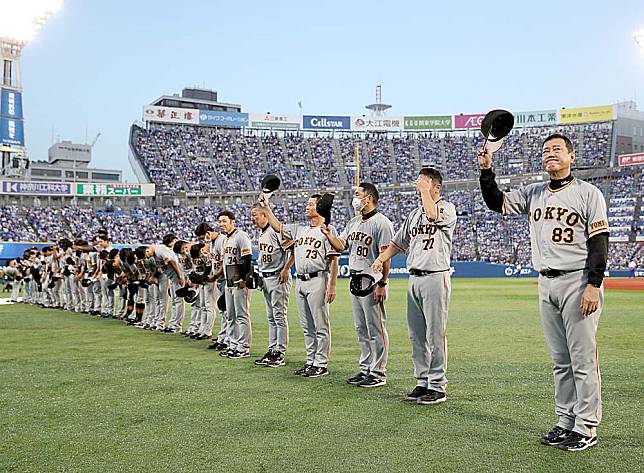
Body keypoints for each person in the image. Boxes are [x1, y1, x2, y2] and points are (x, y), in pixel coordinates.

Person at [477, 133, 609, 452]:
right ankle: (566, 422)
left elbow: (599, 241)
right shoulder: (534, 193)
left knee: (582, 360)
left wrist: (594, 283)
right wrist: (486, 170)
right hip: (546, 282)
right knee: (560, 361)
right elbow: (497, 202)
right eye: (546, 150)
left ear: (571, 156)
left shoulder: (588, 193)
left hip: (577, 281)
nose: (550, 154)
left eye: (557, 149)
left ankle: (586, 426)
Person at [373, 168, 456, 404]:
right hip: (414, 277)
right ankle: (422, 381)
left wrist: (424, 192)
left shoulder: (446, 208)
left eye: (423, 181)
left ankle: (438, 385)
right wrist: (381, 259)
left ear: (436, 186)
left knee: (435, 334)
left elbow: (432, 214)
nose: (417, 184)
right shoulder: (413, 214)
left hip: (435, 276)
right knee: (416, 335)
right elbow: (398, 243)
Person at [260, 194, 340, 378]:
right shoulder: (300, 229)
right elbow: (278, 227)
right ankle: (311, 361)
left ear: (319, 207)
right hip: (300, 280)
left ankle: (321, 364)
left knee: (320, 325)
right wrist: (267, 208)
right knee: (307, 326)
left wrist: (332, 285)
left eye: (310, 204)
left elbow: (334, 259)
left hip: (318, 279)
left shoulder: (327, 229)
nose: (307, 207)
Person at [325, 182, 394, 387]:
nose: (355, 198)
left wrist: (383, 282)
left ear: (369, 198)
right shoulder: (354, 222)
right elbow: (341, 245)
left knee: (376, 327)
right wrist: (329, 234)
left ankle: (379, 372)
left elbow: (385, 257)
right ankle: (366, 368)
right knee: (361, 328)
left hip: (372, 279)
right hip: (355, 277)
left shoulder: (382, 223)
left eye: (358, 194)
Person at [250, 204, 294, 368]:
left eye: (255, 215)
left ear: (264, 215)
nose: (252, 218)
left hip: (278, 277)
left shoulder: (275, 230)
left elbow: (293, 248)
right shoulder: (262, 233)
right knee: (271, 317)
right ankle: (272, 349)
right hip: (267, 277)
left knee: (279, 316)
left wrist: (287, 268)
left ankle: (279, 352)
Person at [218, 210, 254, 358]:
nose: (221, 224)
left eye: (224, 221)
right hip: (229, 281)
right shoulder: (226, 239)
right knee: (230, 316)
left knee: (242, 315)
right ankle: (233, 345)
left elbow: (247, 257)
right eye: (220, 221)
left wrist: (244, 279)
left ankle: (243, 347)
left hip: (239, 282)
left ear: (233, 222)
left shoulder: (241, 236)